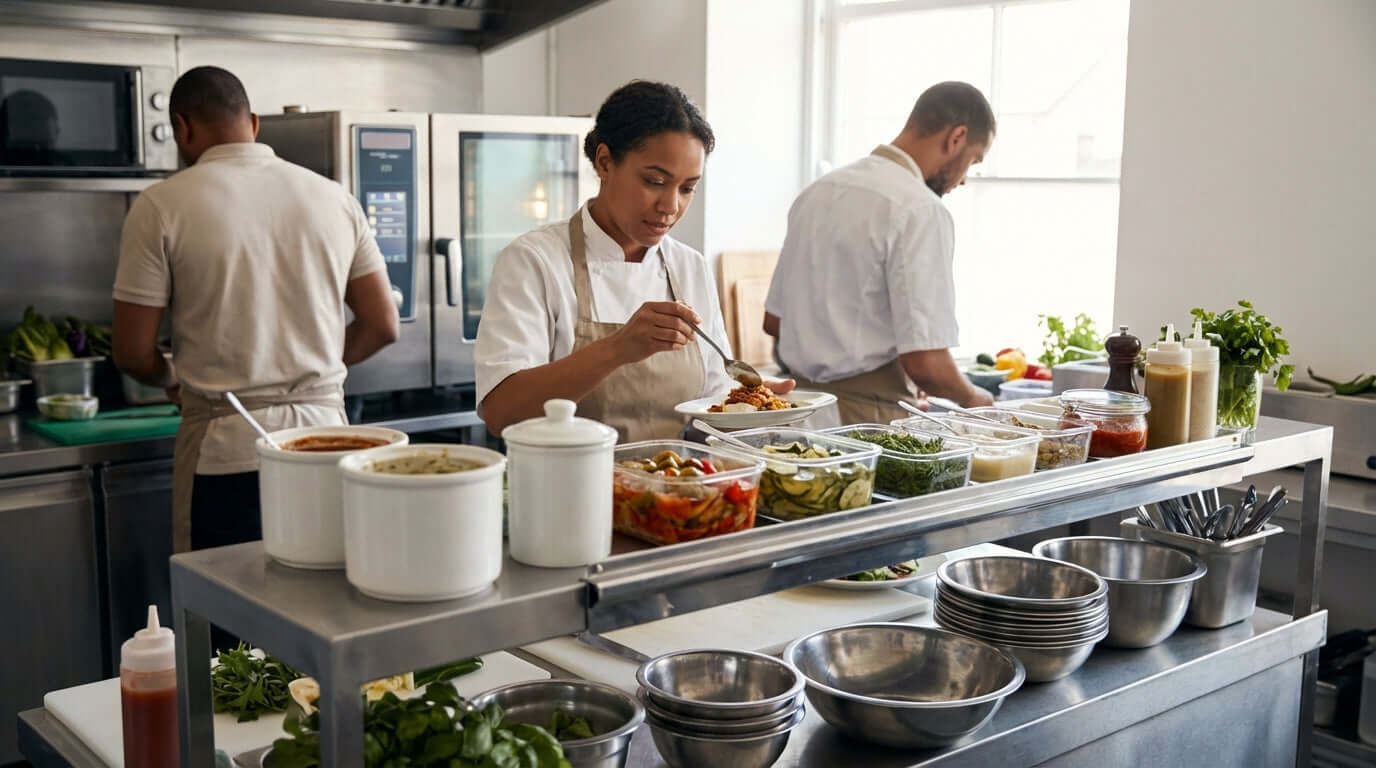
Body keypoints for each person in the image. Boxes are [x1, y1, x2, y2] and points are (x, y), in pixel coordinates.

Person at [112, 66, 399, 555]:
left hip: (226, 454)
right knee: (321, 606)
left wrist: (171, 378)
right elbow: (381, 325)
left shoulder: (161, 205)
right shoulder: (333, 197)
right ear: (255, 122)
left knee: (229, 620)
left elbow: (132, 351)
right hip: (328, 443)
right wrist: (307, 373)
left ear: (182, 127)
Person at [476, 80, 789, 441]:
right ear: (605, 162)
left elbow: (711, 406)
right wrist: (617, 349)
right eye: (655, 181)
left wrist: (754, 407)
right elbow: (503, 413)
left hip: (680, 490)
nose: (671, 207)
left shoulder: (690, 267)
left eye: (687, 188)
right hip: (565, 490)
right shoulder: (535, 260)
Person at [764, 81, 996, 426]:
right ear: (956, 138)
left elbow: (774, 322)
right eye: (973, 162)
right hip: (868, 419)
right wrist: (976, 399)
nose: (963, 181)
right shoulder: (920, 208)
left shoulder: (818, 191)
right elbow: (927, 364)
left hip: (796, 409)